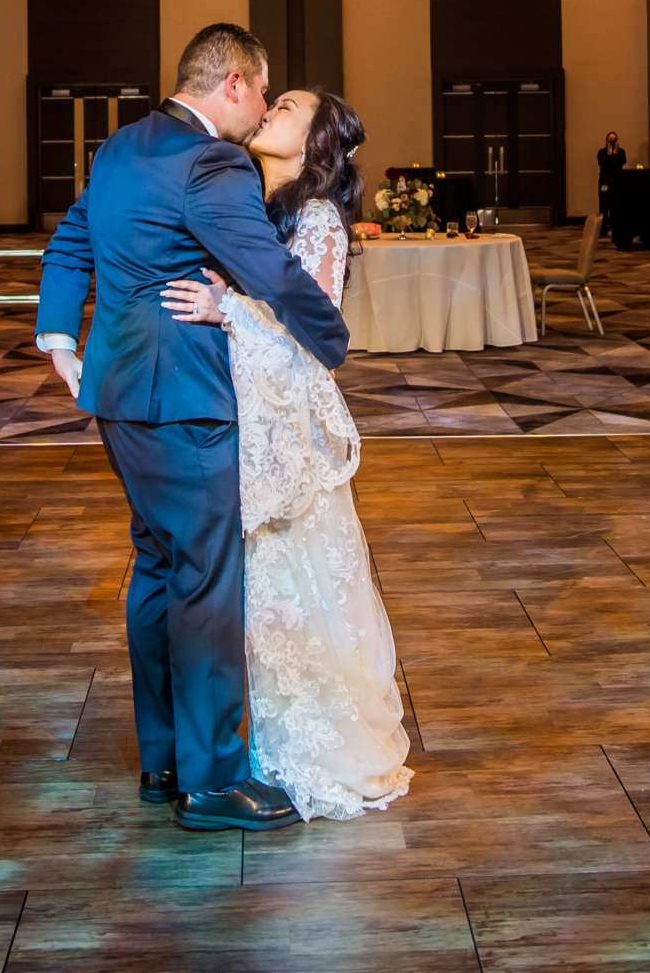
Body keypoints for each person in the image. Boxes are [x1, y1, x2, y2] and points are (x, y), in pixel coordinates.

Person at [36, 22, 351, 834]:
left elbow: (72, 239)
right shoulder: (210, 162)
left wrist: (60, 335)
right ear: (237, 84)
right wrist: (332, 339)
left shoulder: (122, 147)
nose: (259, 114)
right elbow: (267, 268)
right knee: (207, 582)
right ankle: (212, 783)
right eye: (263, 92)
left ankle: (165, 757)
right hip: (184, 399)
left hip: (115, 392)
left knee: (157, 567)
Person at [158, 87, 411, 822]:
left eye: (291, 104)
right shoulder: (255, 206)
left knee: (299, 591)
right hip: (245, 422)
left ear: (318, 138)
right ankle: (256, 748)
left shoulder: (319, 218)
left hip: (288, 443)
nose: (272, 106)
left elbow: (313, 340)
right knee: (263, 597)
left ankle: (316, 749)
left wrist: (225, 308)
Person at [595, 132, 626, 212]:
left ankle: (616, 223)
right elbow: (602, 162)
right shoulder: (601, 152)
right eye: (610, 139)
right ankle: (603, 223)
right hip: (604, 181)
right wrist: (609, 153)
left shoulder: (621, 151)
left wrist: (615, 154)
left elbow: (622, 161)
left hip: (617, 182)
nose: (612, 141)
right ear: (606, 141)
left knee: (617, 203)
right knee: (603, 202)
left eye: (614, 139)